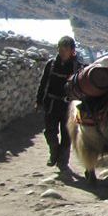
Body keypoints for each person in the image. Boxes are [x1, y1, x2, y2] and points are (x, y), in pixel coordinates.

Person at [35, 36, 83, 171]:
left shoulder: (77, 68)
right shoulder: (51, 65)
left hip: (69, 107)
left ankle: (62, 162)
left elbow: (81, 91)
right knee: (50, 132)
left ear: (72, 51)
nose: (62, 51)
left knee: (67, 136)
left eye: (65, 48)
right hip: (51, 104)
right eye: (60, 48)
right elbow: (43, 84)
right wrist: (39, 101)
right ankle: (54, 153)